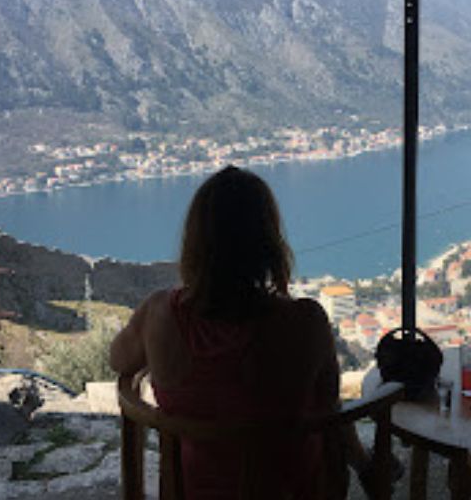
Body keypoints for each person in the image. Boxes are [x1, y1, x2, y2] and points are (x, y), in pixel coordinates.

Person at [109, 165, 378, 499]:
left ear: (195, 243)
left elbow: (118, 360)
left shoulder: (159, 314)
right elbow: (331, 414)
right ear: (268, 242)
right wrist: (366, 467)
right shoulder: (307, 322)